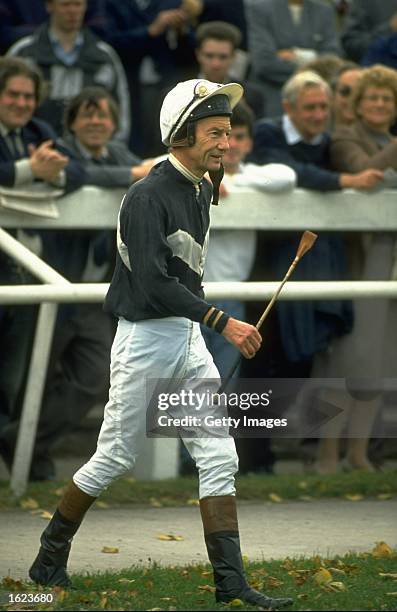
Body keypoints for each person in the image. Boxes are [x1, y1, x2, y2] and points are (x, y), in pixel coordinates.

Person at [28, 78, 293, 610]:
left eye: (229, 131)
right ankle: (48, 558)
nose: (226, 142)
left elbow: (184, 278)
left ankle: (230, 584)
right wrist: (226, 323)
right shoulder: (147, 196)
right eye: (215, 132)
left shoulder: (201, 183)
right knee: (116, 456)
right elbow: (153, 284)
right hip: (145, 340)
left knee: (218, 456)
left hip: (186, 338)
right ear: (180, 134)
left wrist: (207, 325)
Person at [0, 56, 86, 479]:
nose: (21, 103)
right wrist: (26, 171)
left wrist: (50, 176)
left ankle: (18, 469)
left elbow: (73, 172)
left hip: (31, 274)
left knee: (15, 378)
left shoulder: (39, 132)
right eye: (12, 94)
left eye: (28, 96)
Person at [312, 64, 397, 473]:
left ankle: (359, 454)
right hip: (359, 260)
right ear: (359, 105)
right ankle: (328, 455)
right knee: (347, 361)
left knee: (379, 362)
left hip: (390, 259)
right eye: (373, 98)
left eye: (387, 98)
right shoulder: (345, 136)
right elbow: (371, 172)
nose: (380, 105)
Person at [7, 0, 130, 142]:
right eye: (65, 4)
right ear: (49, 6)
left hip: (90, 154)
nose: (72, 11)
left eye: (77, 4)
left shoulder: (104, 56)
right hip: (34, 147)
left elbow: (120, 108)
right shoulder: (24, 52)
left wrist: (115, 147)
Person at [245, 0, 341, 117]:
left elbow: (332, 61)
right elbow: (264, 62)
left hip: (315, 98)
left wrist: (297, 56)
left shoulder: (325, 11)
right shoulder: (259, 8)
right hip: (272, 99)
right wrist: (315, 59)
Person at [61, 86, 156, 188]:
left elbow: (146, 169)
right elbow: (78, 174)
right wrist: (134, 173)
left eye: (102, 116)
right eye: (87, 116)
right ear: (72, 123)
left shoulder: (117, 150)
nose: (95, 122)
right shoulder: (60, 150)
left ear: (114, 124)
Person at [194, 21, 265, 119]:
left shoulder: (251, 97)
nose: (216, 64)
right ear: (198, 54)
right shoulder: (177, 94)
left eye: (223, 57)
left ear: (234, 57)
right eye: (209, 56)